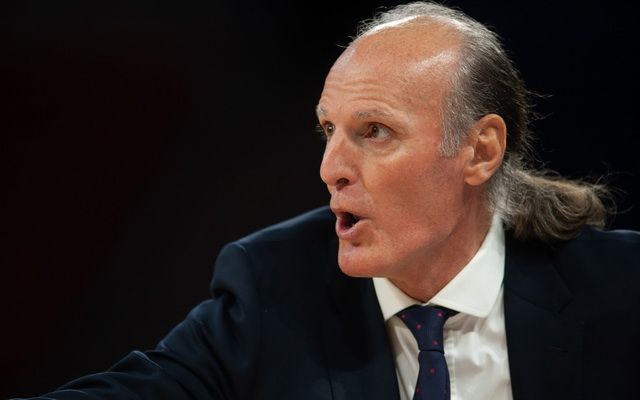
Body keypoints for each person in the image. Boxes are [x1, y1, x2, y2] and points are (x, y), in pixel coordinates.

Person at [13, 2, 639, 399]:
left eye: (375, 132)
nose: (330, 168)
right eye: (328, 130)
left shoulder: (621, 287)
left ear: (480, 151)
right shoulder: (272, 289)